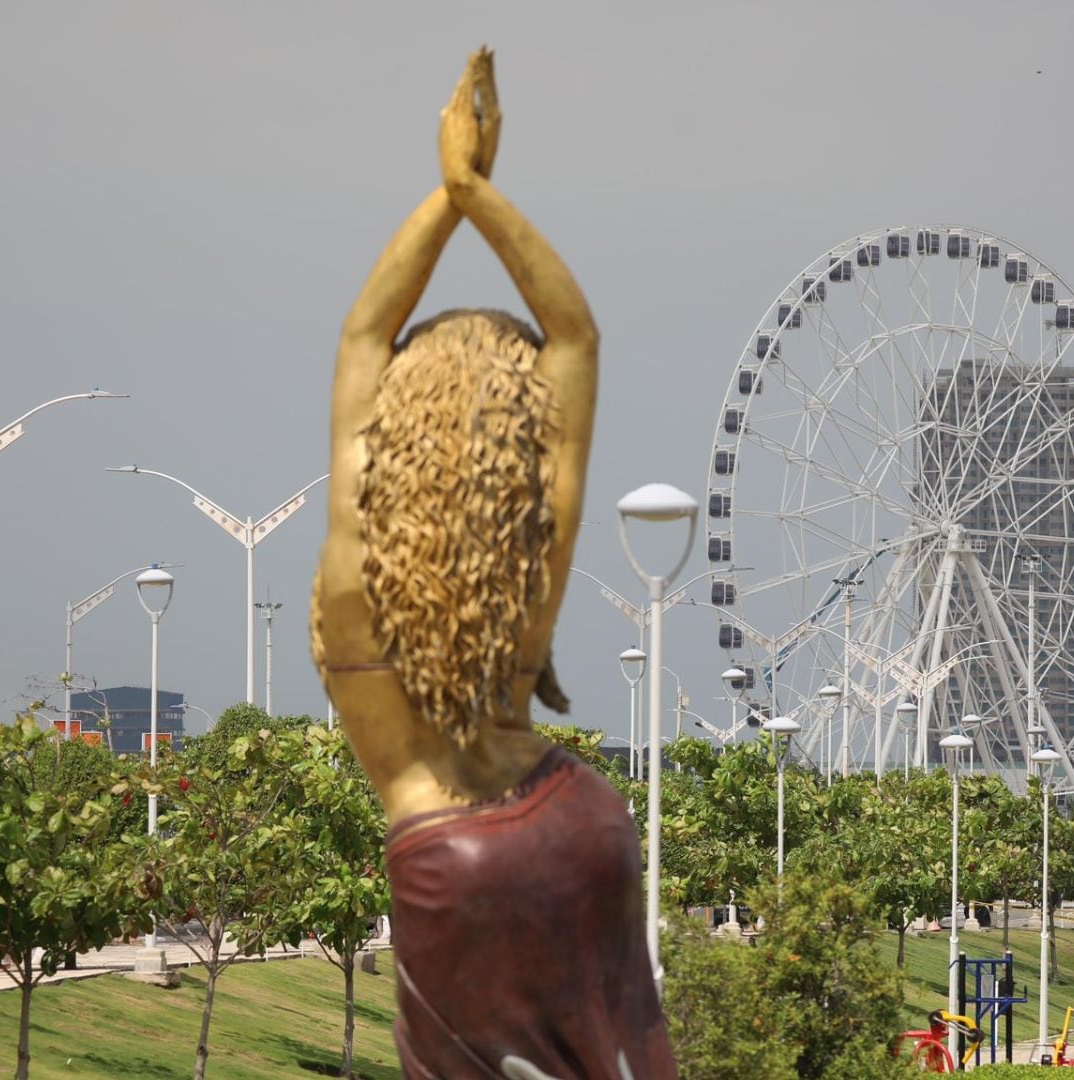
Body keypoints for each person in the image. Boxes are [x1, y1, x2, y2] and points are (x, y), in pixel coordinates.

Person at [311, 48, 675, 1079]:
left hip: (449, 856)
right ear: (517, 442)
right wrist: (478, 192)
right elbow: (576, 336)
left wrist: (449, 189)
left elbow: (362, 336)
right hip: (576, 829)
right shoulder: (523, 587)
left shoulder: (357, 599)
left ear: (398, 430)